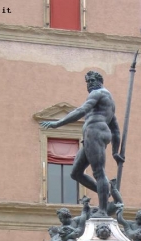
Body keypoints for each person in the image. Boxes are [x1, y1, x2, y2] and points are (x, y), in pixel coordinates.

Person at [41, 71, 122, 218]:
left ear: (100, 81)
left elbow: (81, 110)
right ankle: (104, 191)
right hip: (93, 134)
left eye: (91, 80)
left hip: (95, 132)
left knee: (98, 172)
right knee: (76, 173)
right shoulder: (107, 103)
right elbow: (116, 130)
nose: (89, 84)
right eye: (87, 82)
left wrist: (58, 123)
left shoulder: (98, 93)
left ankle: (103, 211)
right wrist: (116, 152)